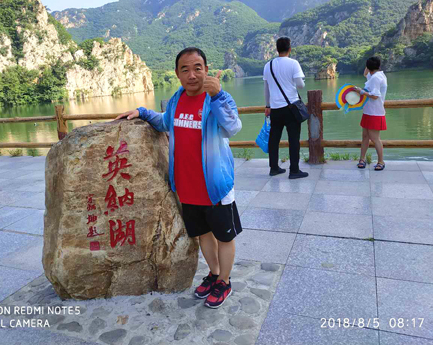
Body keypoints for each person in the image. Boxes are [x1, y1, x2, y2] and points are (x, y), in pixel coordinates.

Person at [116, 47, 243, 308]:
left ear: (206, 70)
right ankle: (214, 274)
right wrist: (142, 112)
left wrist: (218, 96)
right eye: (185, 69)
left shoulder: (217, 98)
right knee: (203, 234)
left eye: (197, 68)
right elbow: (165, 122)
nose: (192, 75)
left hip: (215, 186)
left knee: (224, 237)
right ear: (177, 73)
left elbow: (233, 127)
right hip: (187, 186)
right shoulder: (177, 99)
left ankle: (225, 281)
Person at [263, 37, 309, 179]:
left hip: (275, 109)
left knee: (274, 139)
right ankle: (294, 170)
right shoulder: (293, 63)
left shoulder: (268, 65)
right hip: (291, 108)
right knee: (293, 139)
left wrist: (267, 105)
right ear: (290, 49)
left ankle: (274, 168)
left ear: (277, 49)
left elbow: (266, 88)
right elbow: (300, 85)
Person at [354, 57, 388, 171]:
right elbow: (365, 74)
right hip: (369, 111)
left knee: (375, 138)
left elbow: (375, 96)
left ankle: (381, 161)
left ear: (369, 67)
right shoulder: (377, 75)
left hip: (374, 112)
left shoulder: (375, 78)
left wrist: (361, 92)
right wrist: (368, 66)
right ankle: (362, 159)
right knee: (365, 136)